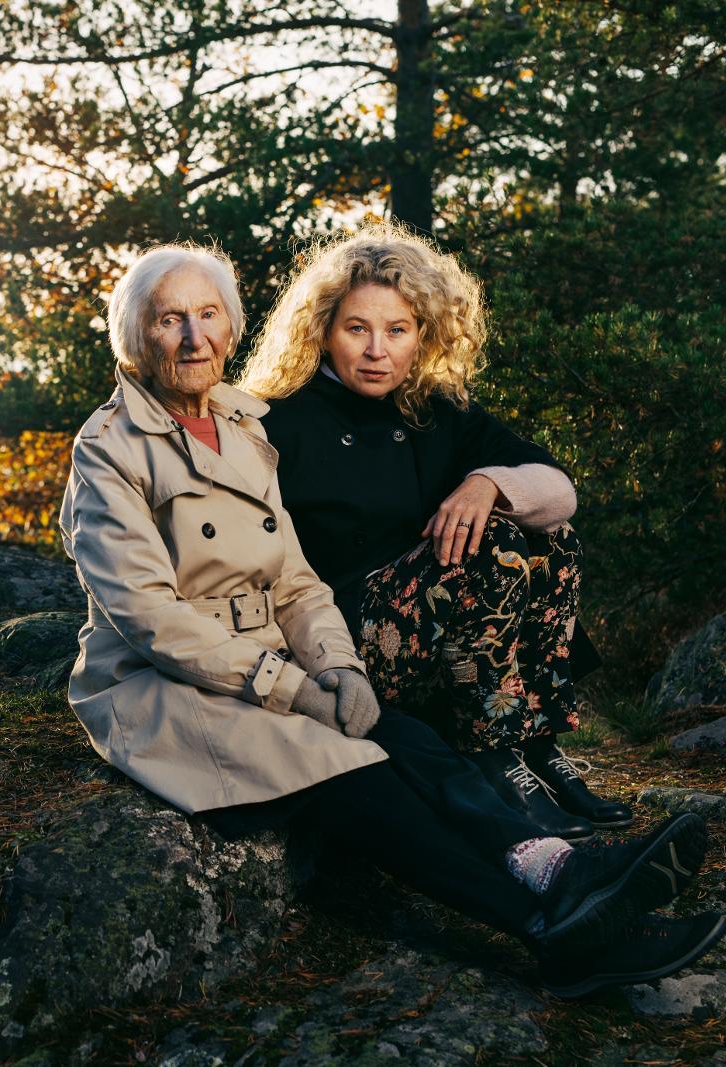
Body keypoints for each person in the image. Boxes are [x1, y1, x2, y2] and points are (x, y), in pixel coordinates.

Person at [60, 243, 724, 997]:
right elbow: (151, 618)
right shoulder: (109, 447)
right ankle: (546, 928)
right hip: (166, 684)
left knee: (406, 737)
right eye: (169, 318)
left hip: (274, 656)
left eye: (207, 315)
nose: (192, 337)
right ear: (135, 333)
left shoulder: (242, 429)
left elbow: (296, 580)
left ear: (230, 325)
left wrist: (338, 665)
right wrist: (297, 689)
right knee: (354, 777)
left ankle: (565, 870)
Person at [238, 224, 627, 840]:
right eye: (356, 329)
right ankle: (493, 755)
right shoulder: (279, 420)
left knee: (554, 539)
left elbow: (559, 490)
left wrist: (487, 485)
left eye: (397, 330)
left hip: (440, 627)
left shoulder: (434, 409)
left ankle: (538, 742)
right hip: (345, 636)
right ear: (322, 330)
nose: (377, 351)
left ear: (424, 334)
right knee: (492, 550)